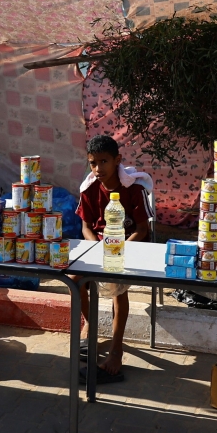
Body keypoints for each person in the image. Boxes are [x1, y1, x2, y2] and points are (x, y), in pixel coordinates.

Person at [74, 134, 153, 383]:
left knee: (118, 289)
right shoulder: (89, 190)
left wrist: (116, 249)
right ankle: (90, 325)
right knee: (74, 278)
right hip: (97, 245)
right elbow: (86, 227)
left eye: (104, 162)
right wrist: (96, 247)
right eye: (93, 163)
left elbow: (142, 230)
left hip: (128, 245)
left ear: (117, 160)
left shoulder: (134, 189)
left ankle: (116, 350)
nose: (98, 169)